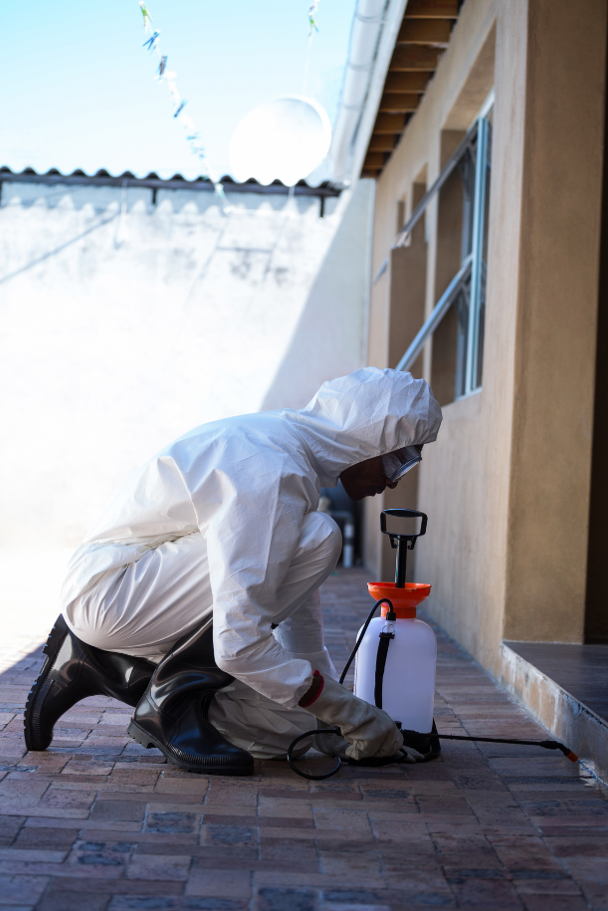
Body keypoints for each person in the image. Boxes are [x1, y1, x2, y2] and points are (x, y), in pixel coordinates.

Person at [25, 367, 442, 775]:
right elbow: (237, 642)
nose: (394, 483)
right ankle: (171, 704)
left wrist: (333, 720)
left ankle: (101, 665)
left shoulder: (289, 449)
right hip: (111, 591)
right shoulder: (273, 470)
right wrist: (351, 712)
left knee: (295, 733)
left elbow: (299, 617)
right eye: (400, 459)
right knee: (319, 537)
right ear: (370, 439)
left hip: (134, 590)